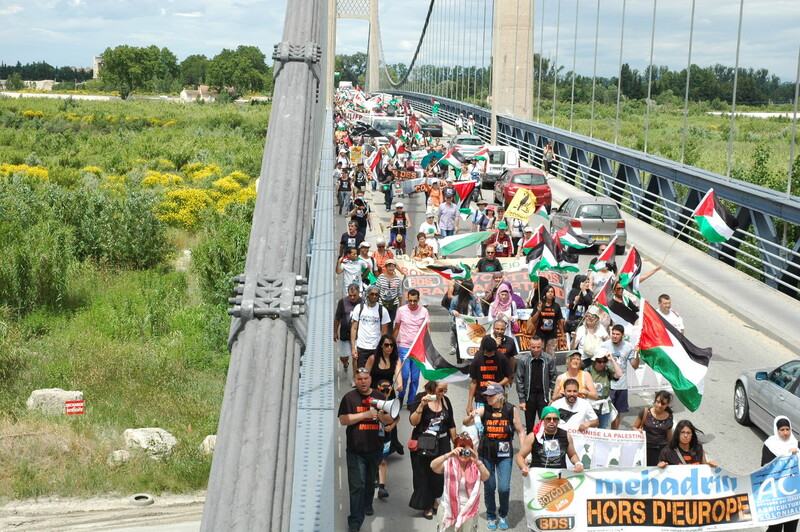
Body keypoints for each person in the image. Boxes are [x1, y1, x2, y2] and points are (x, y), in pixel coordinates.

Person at [338, 368, 395, 532]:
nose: (362, 381)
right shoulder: (349, 398)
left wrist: (380, 416)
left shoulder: (379, 397)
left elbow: (389, 418)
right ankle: (355, 522)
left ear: (370, 379)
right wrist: (366, 415)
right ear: (355, 381)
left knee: (370, 481)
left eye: (365, 378)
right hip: (355, 451)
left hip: (375, 449)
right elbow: (343, 420)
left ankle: (367, 503)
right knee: (357, 485)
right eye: (359, 379)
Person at [463, 383, 525, 530]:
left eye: (491, 395)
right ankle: (491, 516)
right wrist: (471, 416)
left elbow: (520, 431)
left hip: (504, 454)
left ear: (500, 396)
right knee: (489, 487)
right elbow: (465, 422)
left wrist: (523, 452)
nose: (488, 398)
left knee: (503, 488)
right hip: (486, 453)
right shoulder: (485, 409)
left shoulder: (510, 409)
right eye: (487, 395)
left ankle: (503, 514)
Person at [409, 381, 457, 520]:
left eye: (445, 391)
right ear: (432, 388)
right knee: (423, 476)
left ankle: (436, 500)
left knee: (440, 475)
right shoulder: (420, 397)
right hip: (424, 442)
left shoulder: (445, 401)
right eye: (441, 390)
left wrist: (456, 442)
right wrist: (421, 406)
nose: (443, 394)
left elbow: (451, 423)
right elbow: (413, 421)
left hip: (442, 442)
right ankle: (426, 506)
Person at [365, 334, 404, 496]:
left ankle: (381, 477)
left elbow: (398, 374)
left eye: (392, 345)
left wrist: (400, 383)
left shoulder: (395, 360)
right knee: (372, 432)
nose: (389, 348)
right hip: (374, 400)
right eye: (387, 345)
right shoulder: (373, 358)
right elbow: (365, 376)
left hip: (389, 400)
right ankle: (373, 467)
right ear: (381, 345)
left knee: (388, 426)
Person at [430, 433, 490, 532]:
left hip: (468, 510)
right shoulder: (448, 463)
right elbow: (433, 466)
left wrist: (477, 462)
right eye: (461, 450)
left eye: (467, 451)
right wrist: (449, 455)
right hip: (448, 509)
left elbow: (486, 477)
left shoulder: (475, 466)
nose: (463, 454)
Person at [516, 405, 585, 473]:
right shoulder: (533, 436)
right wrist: (523, 467)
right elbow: (520, 456)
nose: (552, 421)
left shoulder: (566, 435)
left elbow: (572, 455)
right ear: (543, 420)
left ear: (558, 421)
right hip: (538, 476)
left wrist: (578, 463)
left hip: (559, 477)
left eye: (555, 419)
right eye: (548, 419)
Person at [761, 416, 799, 532]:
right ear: (776, 430)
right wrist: (787, 456)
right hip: (777, 493)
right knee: (775, 527)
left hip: (793, 495)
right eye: (782, 430)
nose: (785, 433)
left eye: (788, 429)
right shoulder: (770, 445)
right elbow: (766, 467)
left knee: (791, 526)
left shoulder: (795, 444)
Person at [393, 289, 430, 406]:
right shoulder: (401, 310)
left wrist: (428, 347)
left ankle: (411, 401)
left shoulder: (424, 311)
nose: (412, 303)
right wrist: (392, 344)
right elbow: (397, 327)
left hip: (418, 350)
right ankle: (401, 395)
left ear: (418, 300)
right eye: (410, 300)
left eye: (415, 301)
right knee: (404, 375)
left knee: (414, 378)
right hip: (403, 347)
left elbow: (427, 329)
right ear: (407, 299)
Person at [515, 336, 557, 434]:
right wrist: (522, 399)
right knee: (530, 424)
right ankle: (531, 446)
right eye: (533, 347)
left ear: (542, 345)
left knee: (545, 422)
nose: (536, 350)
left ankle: (544, 444)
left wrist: (552, 397)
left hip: (543, 396)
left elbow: (553, 378)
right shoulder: (523, 360)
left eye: (538, 347)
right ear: (529, 346)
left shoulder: (549, 359)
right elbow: (519, 380)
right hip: (529, 396)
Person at [603, 324, 640, 429]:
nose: (614, 336)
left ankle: (614, 434)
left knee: (617, 413)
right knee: (605, 411)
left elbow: (635, 366)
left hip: (622, 384)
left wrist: (637, 354)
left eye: (617, 334)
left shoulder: (628, 347)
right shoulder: (604, 345)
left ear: (622, 335)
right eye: (613, 334)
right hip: (608, 383)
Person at [466, 337, 513, 416]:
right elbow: (473, 382)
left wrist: (497, 385)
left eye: (492, 353)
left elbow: (508, 377)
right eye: (487, 353)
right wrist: (469, 404)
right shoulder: (477, 359)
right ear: (483, 349)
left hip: (498, 398)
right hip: (481, 398)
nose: (490, 355)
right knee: (480, 423)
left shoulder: (501, 357)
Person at [350, 285, 391, 371]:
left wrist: (383, 349)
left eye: (376, 295)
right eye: (372, 294)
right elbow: (354, 329)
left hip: (375, 348)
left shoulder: (383, 311)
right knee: (361, 372)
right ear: (367, 294)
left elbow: (384, 332)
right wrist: (353, 348)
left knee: (374, 373)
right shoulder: (359, 308)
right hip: (361, 347)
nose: (374, 296)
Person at [632, 391, 674, 466]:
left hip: (661, 452)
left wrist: (671, 450)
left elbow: (669, 435)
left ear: (667, 405)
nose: (660, 405)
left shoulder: (669, 416)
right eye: (658, 402)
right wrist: (638, 431)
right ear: (655, 401)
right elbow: (634, 427)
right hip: (645, 450)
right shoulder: (645, 412)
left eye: (663, 403)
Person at [525, 285, 565, 356]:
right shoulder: (539, 304)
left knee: (551, 356)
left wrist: (562, 334)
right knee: (539, 354)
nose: (550, 293)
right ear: (545, 294)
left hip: (552, 334)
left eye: (552, 292)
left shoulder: (556, 306)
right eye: (548, 292)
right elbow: (533, 320)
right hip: (540, 333)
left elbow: (559, 321)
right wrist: (538, 311)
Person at [586, 352, 622, 428]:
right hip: (591, 406)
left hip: (604, 407)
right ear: (594, 361)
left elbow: (619, 374)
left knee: (602, 429)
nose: (602, 364)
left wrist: (612, 360)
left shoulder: (607, 370)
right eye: (599, 361)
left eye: (604, 362)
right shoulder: (588, 371)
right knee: (590, 431)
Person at [334, 283, 363, 376]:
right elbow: (337, 318)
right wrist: (335, 332)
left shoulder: (363, 303)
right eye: (350, 295)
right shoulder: (342, 302)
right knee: (344, 357)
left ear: (358, 292)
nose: (352, 297)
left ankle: (355, 378)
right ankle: (345, 364)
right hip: (344, 335)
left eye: (354, 295)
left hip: (358, 336)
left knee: (355, 357)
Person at [449, 279, 483, 354]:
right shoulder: (455, 299)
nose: (472, 291)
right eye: (470, 289)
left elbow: (477, 309)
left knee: (467, 342)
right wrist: (453, 311)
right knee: (460, 343)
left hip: (470, 325)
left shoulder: (473, 298)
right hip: (459, 325)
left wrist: (482, 316)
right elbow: (450, 309)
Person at [376, 259, 403, 326]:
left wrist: (400, 304)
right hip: (382, 302)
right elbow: (377, 290)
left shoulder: (397, 279)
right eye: (389, 266)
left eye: (392, 266)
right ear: (386, 267)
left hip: (393, 303)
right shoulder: (381, 277)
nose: (391, 268)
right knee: (382, 322)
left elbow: (399, 292)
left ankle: (389, 336)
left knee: (390, 322)